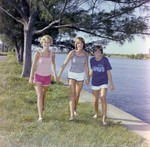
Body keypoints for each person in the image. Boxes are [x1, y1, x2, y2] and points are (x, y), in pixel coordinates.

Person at [57, 37, 90, 121]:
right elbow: (64, 64)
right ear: (76, 44)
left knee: (77, 94)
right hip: (71, 74)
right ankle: (72, 115)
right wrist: (59, 75)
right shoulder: (72, 52)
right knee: (72, 94)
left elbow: (86, 66)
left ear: (83, 44)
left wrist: (88, 78)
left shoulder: (86, 54)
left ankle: (74, 109)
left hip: (80, 75)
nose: (80, 45)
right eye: (78, 43)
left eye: (81, 43)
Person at [29, 35, 57, 122]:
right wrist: (31, 78)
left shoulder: (52, 54)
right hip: (38, 77)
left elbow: (53, 64)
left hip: (47, 77)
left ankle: (42, 107)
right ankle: (40, 116)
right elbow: (33, 66)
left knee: (43, 95)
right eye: (45, 42)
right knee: (40, 95)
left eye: (48, 42)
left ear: (50, 43)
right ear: (42, 43)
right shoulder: (38, 53)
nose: (46, 44)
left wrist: (55, 74)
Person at [89, 45, 114, 126]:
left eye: (99, 52)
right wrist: (88, 78)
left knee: (103, 97)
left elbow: (108, 72)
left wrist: (111, 84)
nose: (97, 53)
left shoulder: (105, 60)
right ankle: (96, 113)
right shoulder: (92, 60)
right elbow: (92, 70)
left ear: (101, 52)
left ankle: (104, 118)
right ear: (93, 52)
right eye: (95, 51)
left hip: (103, 82)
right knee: (95, 100)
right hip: (95, 82)